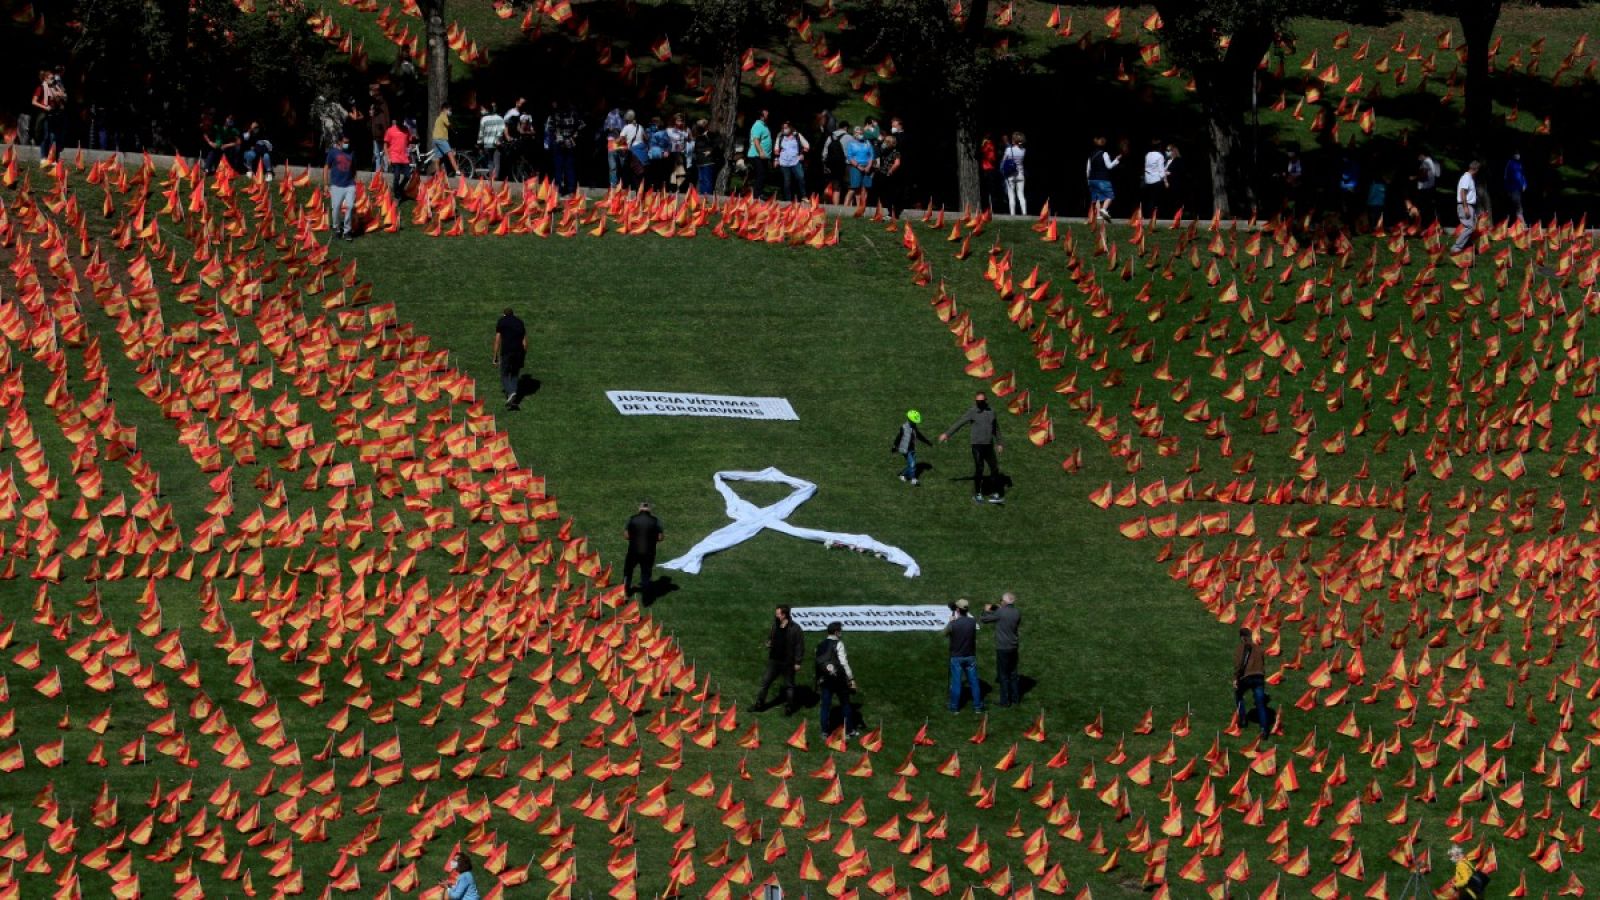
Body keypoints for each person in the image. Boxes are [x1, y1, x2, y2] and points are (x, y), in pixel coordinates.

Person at [939, 392, 1004, 503]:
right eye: (977, 401)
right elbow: (960, 423)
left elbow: (996, 429)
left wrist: (999, 443)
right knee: (980, 468)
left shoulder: (992, 412)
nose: (979, 403)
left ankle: (996, 493)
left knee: (994, 468)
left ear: (985, 400)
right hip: (977, 445)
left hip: (988, 445)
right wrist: (947, 434)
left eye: (981, 401)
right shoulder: (972, 412)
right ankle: (978, 494)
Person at [756, 606, 805, 715]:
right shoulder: (775, 625)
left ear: (784, 615)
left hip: (788, 662)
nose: (776, 615)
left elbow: (799, 646)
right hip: (774, 660)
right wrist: (769, 643)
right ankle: (759, 704)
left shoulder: (795, 628)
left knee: (789, 685)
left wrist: (798, 662)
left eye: (778, 613)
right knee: (765, 682)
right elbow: (771, 638)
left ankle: (789, 708)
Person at [815, 622, 858, 737]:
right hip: (839, 680)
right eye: (840, 631)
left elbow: (817, 664)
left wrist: (818, 680)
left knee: (825, 707)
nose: (841, 633)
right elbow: (844, 663)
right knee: (845, 704)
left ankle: (824, 732)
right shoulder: (838, 644)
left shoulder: (820, 644)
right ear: (836, 632)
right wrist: (851, 679)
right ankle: (850, 730)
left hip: (825, 680)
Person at [980, 593, 1021, 707]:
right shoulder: (1017, 612)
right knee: (1013, 673)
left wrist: (986, 610)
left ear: (1005, 602)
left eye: (1001, 600)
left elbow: (984, 619)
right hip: (1013, 646)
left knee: (1003, 675)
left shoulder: (1001, 612)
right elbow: (1005, 618)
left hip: (1003, 647)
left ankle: (1004, 701)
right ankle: (1015, 698)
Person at [944, 599, 983, 713]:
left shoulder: (954, 624)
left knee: (956, 682)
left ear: (957, 609)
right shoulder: (972, 622)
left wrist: (950, 622)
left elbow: (945, 633)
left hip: (957, 656)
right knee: (974, 682)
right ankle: (977, 707)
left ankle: (954, 707)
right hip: (970, 656)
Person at [1232, 627, 1269, 737]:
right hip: (1259, 677)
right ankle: (1264, 730)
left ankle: (1243, 719)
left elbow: (1239, 666)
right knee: (1261, 704)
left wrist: (1235, 678)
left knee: (1238, 695)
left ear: (1242, 637)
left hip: (1247, 677)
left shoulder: (1240, 648)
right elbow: (1262, 663)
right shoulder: (1259, 648)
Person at [623, 501, 664, 597]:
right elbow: (660, 537)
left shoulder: (632, 519)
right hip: (649, 552)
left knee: (628, 571)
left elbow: (626, 536)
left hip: (633, 551)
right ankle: (646, 597)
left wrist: (633, 537)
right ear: (649, 509)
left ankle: (624, 592)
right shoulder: (656, 520)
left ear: (639, 509)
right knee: (646, 573)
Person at [492, 307, 527, 409]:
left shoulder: (502, 321)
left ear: (504, 314)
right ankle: (514, 398)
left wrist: (495, 356)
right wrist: (523, 355)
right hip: (519, 352)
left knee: (504, 374)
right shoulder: (520, 322)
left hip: (507, 351)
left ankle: (511, 392)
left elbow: (497, 340)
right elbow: (524, 342)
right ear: (513, 314)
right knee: (515, 374)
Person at [324, 135, 357, 242]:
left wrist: (354, 181)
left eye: (348, 142)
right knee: (336, 208)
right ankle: (337, 229)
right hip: (336, 185)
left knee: (350, 207)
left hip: (349, 185)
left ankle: (347, 231)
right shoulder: (333, 152)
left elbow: (354, 168)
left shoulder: (352, 152)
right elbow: (326, 167)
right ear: (339, 142)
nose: (347, 144)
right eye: (345, 142)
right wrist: (326, 184)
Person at [547, 104, 582, 195]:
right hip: (565, 142)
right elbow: (581, 126)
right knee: (567, 167)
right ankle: (569, 190)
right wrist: (574, 135)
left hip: (563, 143)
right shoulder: (572, 114)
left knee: (562, 167)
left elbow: (549, 128)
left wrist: (573, 136)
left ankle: (562, 190)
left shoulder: (555, 114)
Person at [892, 409, 932, 485]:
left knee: (911, 464)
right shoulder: (904, 428)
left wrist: (927, 442)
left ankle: (903, 475)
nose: (915, 423)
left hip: (912, 449)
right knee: (913, 464)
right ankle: (913, 479)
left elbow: (919, 436)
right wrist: (895, 446)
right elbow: (899, 437)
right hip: (905, 449)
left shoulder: (914, 427)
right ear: (910, 420)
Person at [1086, 135, 1122, 221]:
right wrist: (1117, 160)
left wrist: (1088, 180)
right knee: (1110, 196)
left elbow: (1088, 169)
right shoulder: (1104, 154)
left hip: (1092, 180)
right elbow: (1109, 166)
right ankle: (1103, 209)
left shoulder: (1091, 155)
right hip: (1102, 179)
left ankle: (1098, 215)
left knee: (1097, 197)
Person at [1451, 160, 1481, 255]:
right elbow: (1462, 192)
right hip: (1466, 205)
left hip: (1469, 205)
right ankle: (1457, 247)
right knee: (1469, 227)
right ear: (1475, 169)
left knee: (1470, 226)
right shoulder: (1466, 178)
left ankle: (1468, 247)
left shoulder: (1469, 178)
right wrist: (1466, 207)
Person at [775, 121, 809, 201]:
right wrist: (776, 159)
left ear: (790, 128)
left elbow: (807, 145)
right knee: (787, 182)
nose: (784, 130)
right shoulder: (780, 136)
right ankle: (788, 200)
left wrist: (802, 154)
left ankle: (804, 196)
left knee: (801, 177)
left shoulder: (797, 135)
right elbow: (776, 149)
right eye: (783, 128)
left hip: (795, 161)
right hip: (784, 162)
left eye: (786, 128)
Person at [384, 118, 414, 210]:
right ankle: (397, 196)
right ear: (396, 121)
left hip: (404, 158)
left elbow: (409, 142)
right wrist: (388, 157)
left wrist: (410, 147)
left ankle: (399, 189)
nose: (400, 122)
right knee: (396, 176)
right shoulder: (390, 130)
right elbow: (385, 145)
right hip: (394, 157)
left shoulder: (406, 130)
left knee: (408, 176)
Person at [844, 125, 875, 207]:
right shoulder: (851, 143)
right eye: (858, 133)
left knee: (865, 188)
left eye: (861, 132)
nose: (860, 134)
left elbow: (871, 155)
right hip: (856, 167)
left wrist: (869, 166)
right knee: (853, 188)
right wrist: (858, 166)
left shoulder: (867, 142)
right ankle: (844, 208)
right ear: (854, 134)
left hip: (867, 167)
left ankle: (861, 207)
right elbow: (849, 156)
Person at [821, 120, 851, 203]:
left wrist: (825, 162)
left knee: (836, 186)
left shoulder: (830, 136)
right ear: (846, 128)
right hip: (845, 164)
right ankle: (847, 206)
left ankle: (835, 206)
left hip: (832, 164)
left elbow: (825, 152)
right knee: (849, 186)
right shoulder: (849, 137)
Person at [747, 109, 773, 198]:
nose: (768, 114)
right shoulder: (758, 125)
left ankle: (758, 193)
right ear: (761, 116)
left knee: (762, 175)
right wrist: (761, 152)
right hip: (757, 155)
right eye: (766, 114)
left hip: (763, 156)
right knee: (760, 174)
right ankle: (756, 195)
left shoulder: (764, 126)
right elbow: (756, 140)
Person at [876, 134, 903, 217]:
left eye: (886, 142)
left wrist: (891, 171)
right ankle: (886, 212)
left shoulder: (896, 152)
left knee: (890, 195)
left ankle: (892, 214)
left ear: (890, 143)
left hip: (890, 176)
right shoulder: (884, 151)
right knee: (884, 195)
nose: (884, 143)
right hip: (882, 175)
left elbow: (897, 163)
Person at [691, 119, 721, 195]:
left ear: (706, 126)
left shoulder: (711, 135)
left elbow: (717, 144)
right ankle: (702, 196)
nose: (699, 127)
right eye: (699, 126)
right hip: (700, 160)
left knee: (707, 180)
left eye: (701, 125)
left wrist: (711, 151)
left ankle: (707, 197)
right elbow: (696, 147)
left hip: (708, 161)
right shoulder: (698, 136)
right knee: (701, 180)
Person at [477, 103, 505, 179]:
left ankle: (491, 179)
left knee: (490, 162)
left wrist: (479, 144)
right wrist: (497, 139)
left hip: (487, 144)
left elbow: (481, 133)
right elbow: (501, 131)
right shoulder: (500, 119)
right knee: (497, 162)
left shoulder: (484, 119)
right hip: (497, 144)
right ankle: (496, 179)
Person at [1141, 138, 1168, 218]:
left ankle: (1147, 215)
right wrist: (1166, 181)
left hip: (1148, 180)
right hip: (1156, 180)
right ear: (1159, 147)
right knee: (1156, 200)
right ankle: (1154, 216)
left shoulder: (1148, 155)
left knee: (1149, 199)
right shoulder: (1160, 156)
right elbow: (1161, 170)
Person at [1002, 133, 1027, 215]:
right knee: (1021, 195)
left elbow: (1003, 161)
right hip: (1020, 175)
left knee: (1011, 195)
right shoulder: (1023, 150)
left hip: (1010, 175)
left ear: (1013, 140)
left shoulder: (1009, 150)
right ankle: (1024, 213)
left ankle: (1012, 215)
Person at [432, 102, 458, 175]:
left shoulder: (438, 117)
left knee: (437, 158)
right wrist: (455, 131)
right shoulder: (443, 115)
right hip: (441, 139)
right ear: (444, 109)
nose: (450, 112)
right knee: (450, 153)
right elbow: (449, 124)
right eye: (449, 110)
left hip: (435, 139)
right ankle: (457, 171)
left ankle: (437, 173)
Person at [1415, 150, 1441, 219]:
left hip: (1424, 189)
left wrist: (1414, 178)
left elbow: (1423, 176)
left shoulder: (1425, 162)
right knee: (1428, 207)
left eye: (1418, 155)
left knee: (1421, 208)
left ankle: (1420, 223)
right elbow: (1437, 176)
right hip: (1431, 188)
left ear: (1422, 155)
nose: (1417, 157)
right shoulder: (1435, 163)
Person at [1502, 152, 1527, 225]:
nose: (1518, 155)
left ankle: (1519, 224)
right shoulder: (1510, 163)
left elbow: (1522, 175)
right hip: (1513, 189)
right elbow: (1506, 177)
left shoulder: (1520, 164)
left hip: (1519, 189)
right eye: (1516, 154)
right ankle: (1522, 224)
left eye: (1519, 154)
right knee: (1517, 206)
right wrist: (1508, 189)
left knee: (1518, 205)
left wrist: (1524, 184)